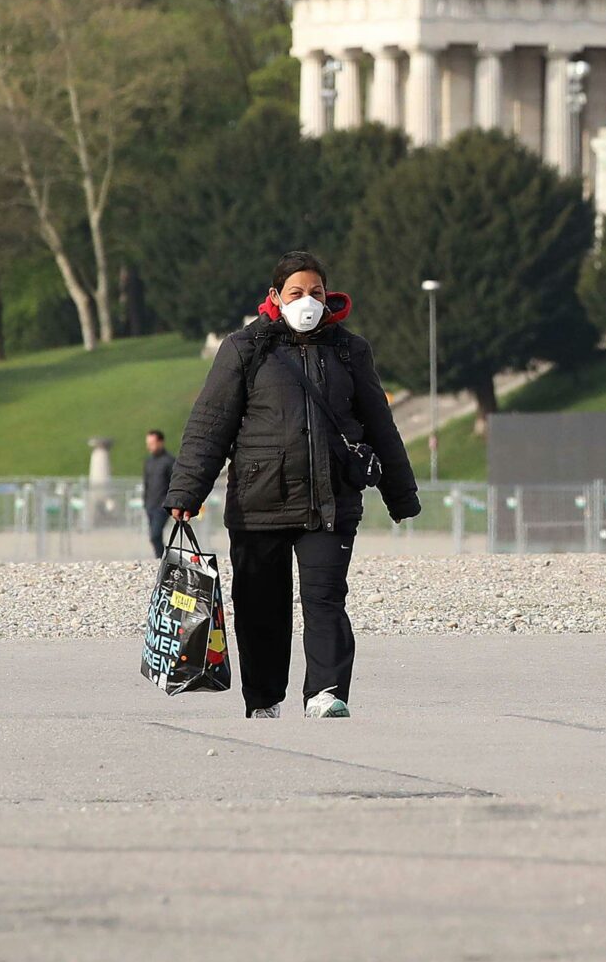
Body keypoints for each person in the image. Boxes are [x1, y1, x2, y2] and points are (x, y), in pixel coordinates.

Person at [164, 251, 421, 719]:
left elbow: (380, 425)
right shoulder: (245, 348)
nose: (308, 301)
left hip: (331, 501)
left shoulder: (349, 349)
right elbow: (209, 425)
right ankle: (264, 698)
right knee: (261, 604)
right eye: (297, 293)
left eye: (316, 292)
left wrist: (401, 495)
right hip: (258, 502)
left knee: (325, 598)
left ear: (329, 296)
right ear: (275, 298)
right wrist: (186, 491)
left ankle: (325, 691)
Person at [142, 429, 174, 558]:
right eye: (148, 443)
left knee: (155, 535)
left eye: (152, 443)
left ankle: (163, 558)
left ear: (160, 442)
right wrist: (145, 501)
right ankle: (160, 559)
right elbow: (146, 483)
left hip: (162, 505)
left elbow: (173, 482)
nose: (149, 446)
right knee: (154, 536)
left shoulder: (169, 461)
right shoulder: (148, 462)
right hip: (150, 504)